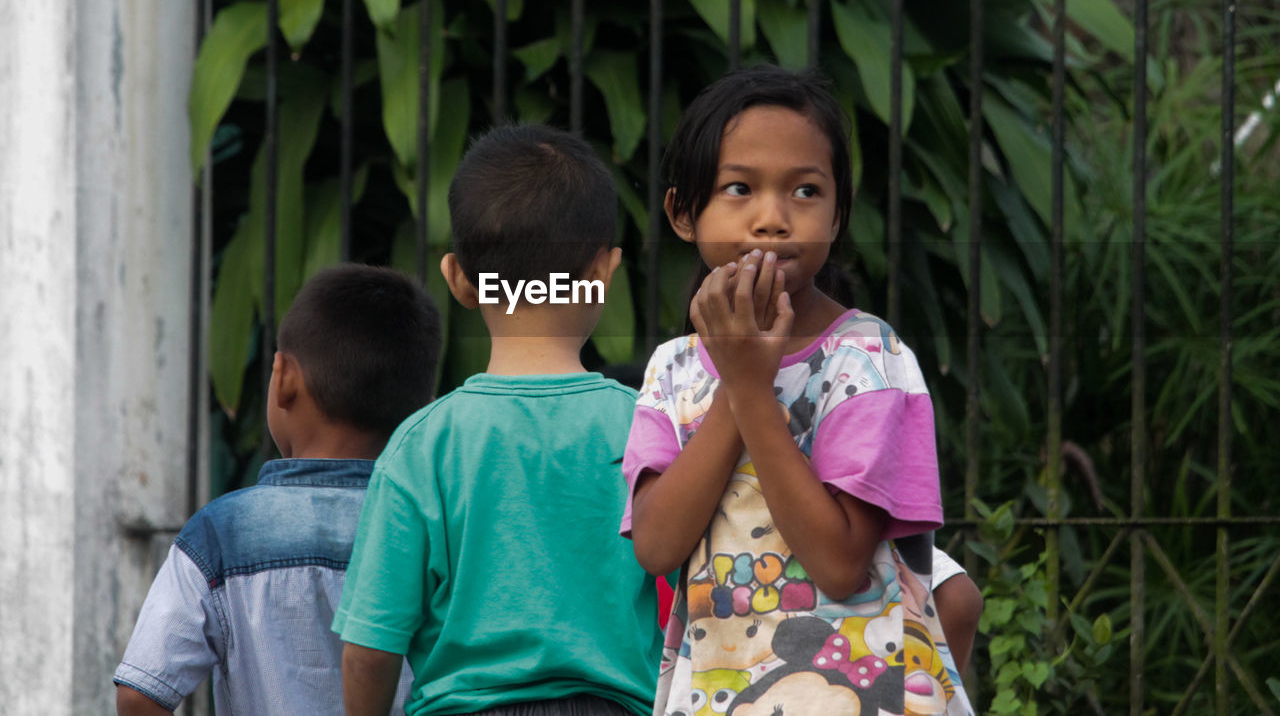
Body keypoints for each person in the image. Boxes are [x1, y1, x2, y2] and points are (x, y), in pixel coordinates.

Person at [621, 65, 976, 715]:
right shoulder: (673, 369)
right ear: (682, 212)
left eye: (805, 191)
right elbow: (657, 545)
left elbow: (840, 563)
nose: (772, 218)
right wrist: (738, 378)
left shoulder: (871, 360)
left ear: (838, 213)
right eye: (738, 188)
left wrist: (752, 389)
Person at [334, 124, 663, 716]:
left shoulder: (423, 445)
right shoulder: (646, 424)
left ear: (459, 279)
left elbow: (370, 646)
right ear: (604, 275)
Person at [114, 264, 441, 715]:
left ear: (283, 378)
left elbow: (139, 693)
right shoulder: (438, 528)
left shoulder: (223, 533)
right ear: (422, 407)